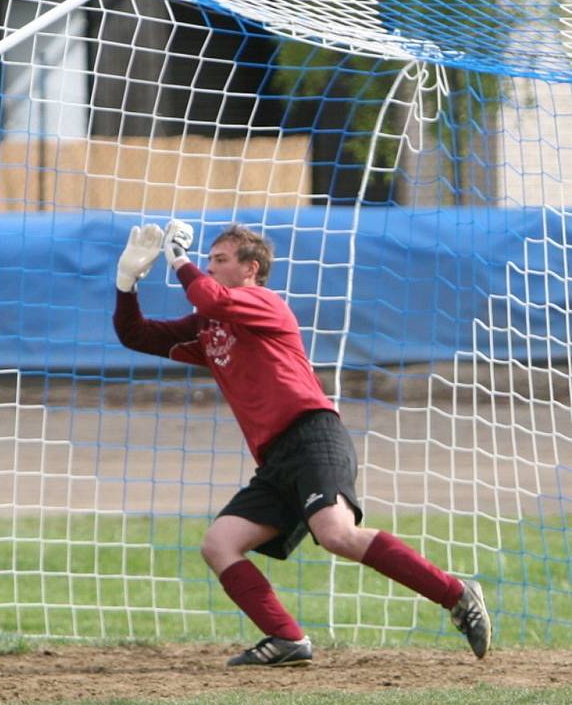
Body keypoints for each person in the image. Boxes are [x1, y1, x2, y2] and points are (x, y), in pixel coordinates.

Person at [113, 220, 492, 666]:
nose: (209, 267)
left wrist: (179, 260)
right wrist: (126, 282)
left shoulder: (264, 302)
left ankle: (457, 593)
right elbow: (134, 335)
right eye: (207, 260)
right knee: (219, 543)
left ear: (250, 268)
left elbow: (210, 296)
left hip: (313, 436)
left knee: (336, 535)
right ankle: (287, 639)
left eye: (220, 260)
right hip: (275, 459)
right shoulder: (207, 327)